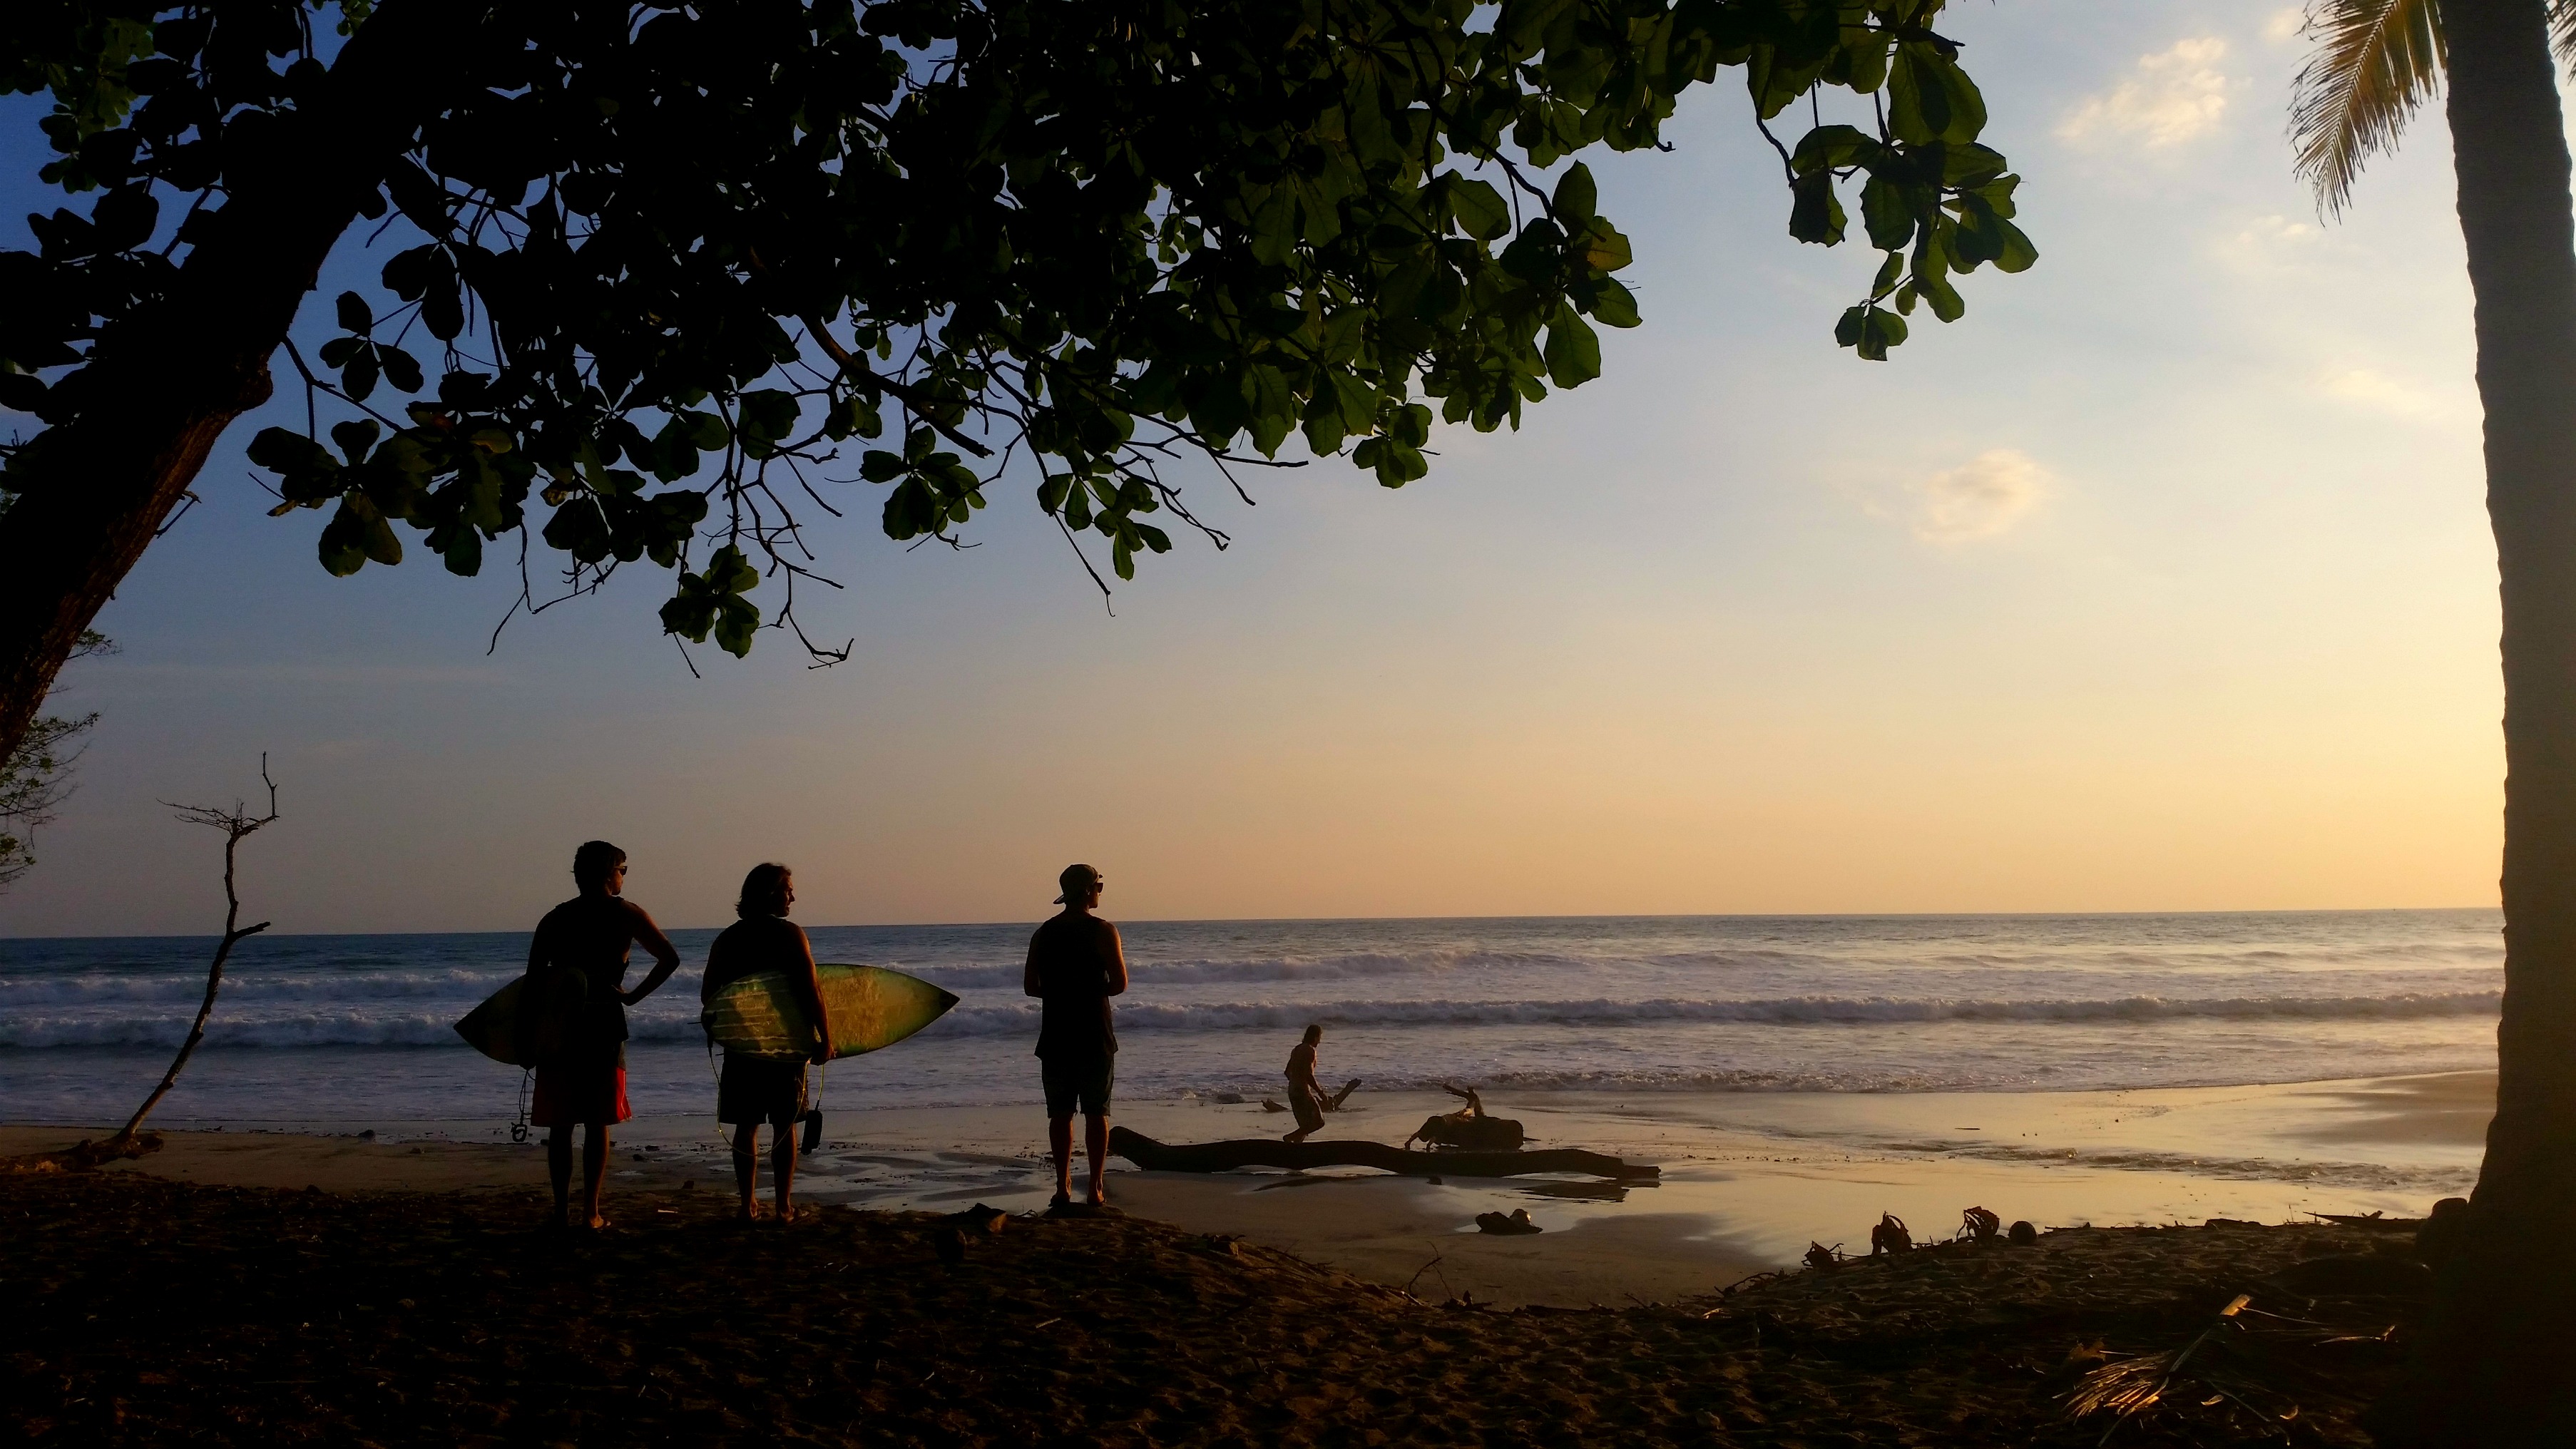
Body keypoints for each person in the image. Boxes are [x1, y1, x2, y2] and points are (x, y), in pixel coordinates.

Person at [526, 840, 680, 1230]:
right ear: (607, 873)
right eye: (623, 870)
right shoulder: (626, 915)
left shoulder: (554, 919)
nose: (624, 877)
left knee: (561, 1126)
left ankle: (562, 1211)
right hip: (604, 1025)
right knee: (598, 1123)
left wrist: (531, 1035)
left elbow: (533, 983)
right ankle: (590, 1211)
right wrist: (632, 997)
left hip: (560, 1028)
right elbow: (670, 958)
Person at [700, 862, 832, 1224]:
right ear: (772, 893)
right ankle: (783, 1207)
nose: (793, 896)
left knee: (746, 1126)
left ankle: (747, 1207)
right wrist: (825, 1037)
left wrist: (728, 1028)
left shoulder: (728, 938)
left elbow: (709, 995)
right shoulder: (790, 934)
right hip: (785, 1045)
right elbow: (811, 989)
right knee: (785, 1124)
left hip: (743, 1046)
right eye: (788, 889)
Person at [1023, 862, 1128, 1209]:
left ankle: (1063, 1183)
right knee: (1097, 1111)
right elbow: (1120, 983)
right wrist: (1088, 991)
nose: (1100, 891)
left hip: (1056, 1032)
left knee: (1060, 1113)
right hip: (1094, 1032)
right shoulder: (1103, 931)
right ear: (1087, 892)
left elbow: (1030, 987)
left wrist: (1060, 993)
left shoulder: (1043, 933)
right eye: (1099, 886)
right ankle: (1096, 1186)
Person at [1283, 1024, 1327, 1144]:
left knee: (1304, 1126)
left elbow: (1287, 1072)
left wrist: (1295, 1082)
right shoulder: (1310, 1050)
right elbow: (1309, 1075)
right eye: (1320, 1038)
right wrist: (1321, 1093)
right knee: (1319, 1122)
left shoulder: (1297, 1049)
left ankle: (1296, 1150)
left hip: (1292, 1090)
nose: (1320, 1041)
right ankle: (1289, 1137)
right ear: (1315, 1037)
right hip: (1302, 1091)